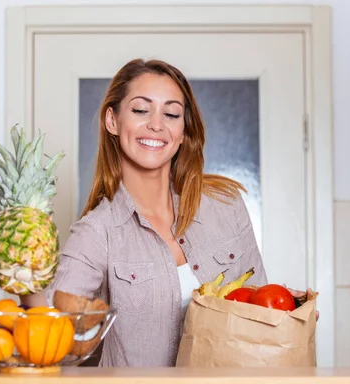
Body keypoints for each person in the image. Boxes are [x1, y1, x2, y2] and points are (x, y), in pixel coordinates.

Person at [21, 58, 271, 367]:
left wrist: (292, 312)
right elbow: (53, 334)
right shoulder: (97, 232)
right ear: (112, 121)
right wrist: (19, 275)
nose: (157, 124)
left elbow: (263, 308)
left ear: (183, 130)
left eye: (171, 113)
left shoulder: (226, 204)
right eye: (141, 110)